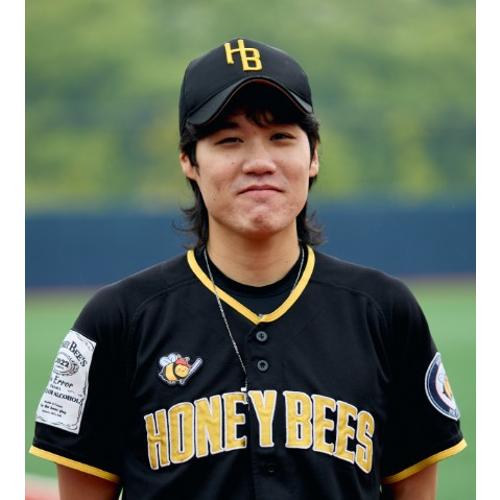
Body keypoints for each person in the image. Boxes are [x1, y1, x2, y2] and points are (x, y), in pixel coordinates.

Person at [30, 37, 466, 500]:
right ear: (189, 161)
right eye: (229, 140)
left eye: (281, 137)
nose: (259, 163)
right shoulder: (117, 321)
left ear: (313, 155)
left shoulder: (384, 312)